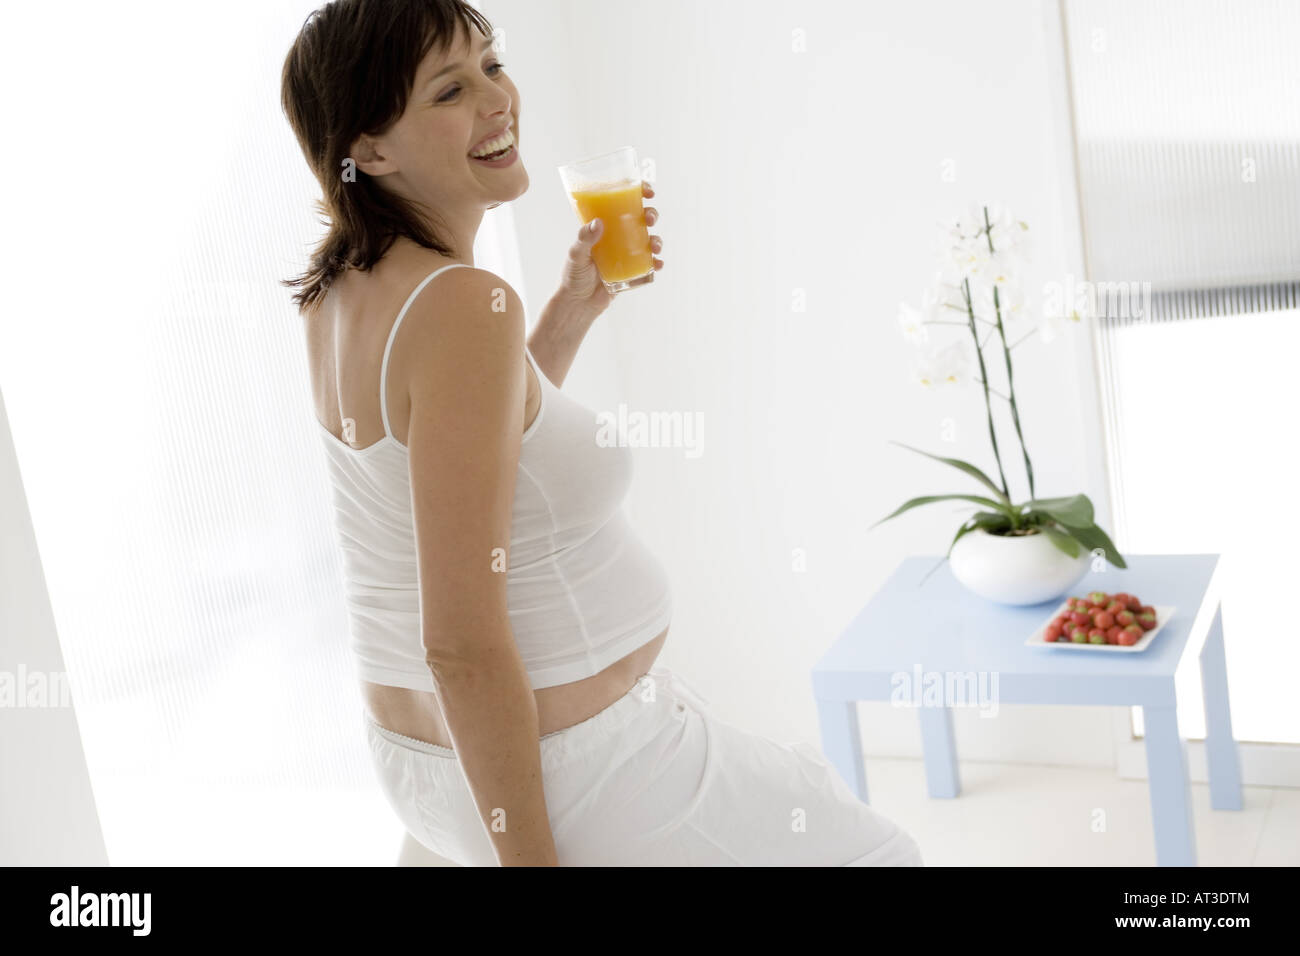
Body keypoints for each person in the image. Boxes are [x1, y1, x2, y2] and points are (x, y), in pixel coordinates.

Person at [280, 0, 922, 867]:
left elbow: (466, 456)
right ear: (368, 148)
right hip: (570, 771)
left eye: (491, 64)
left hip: (427, 767)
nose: (497, 98)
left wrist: (570, 314)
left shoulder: (341, 293)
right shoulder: (465, 305)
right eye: (448, 90)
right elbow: (459, 645)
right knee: (874, 854)